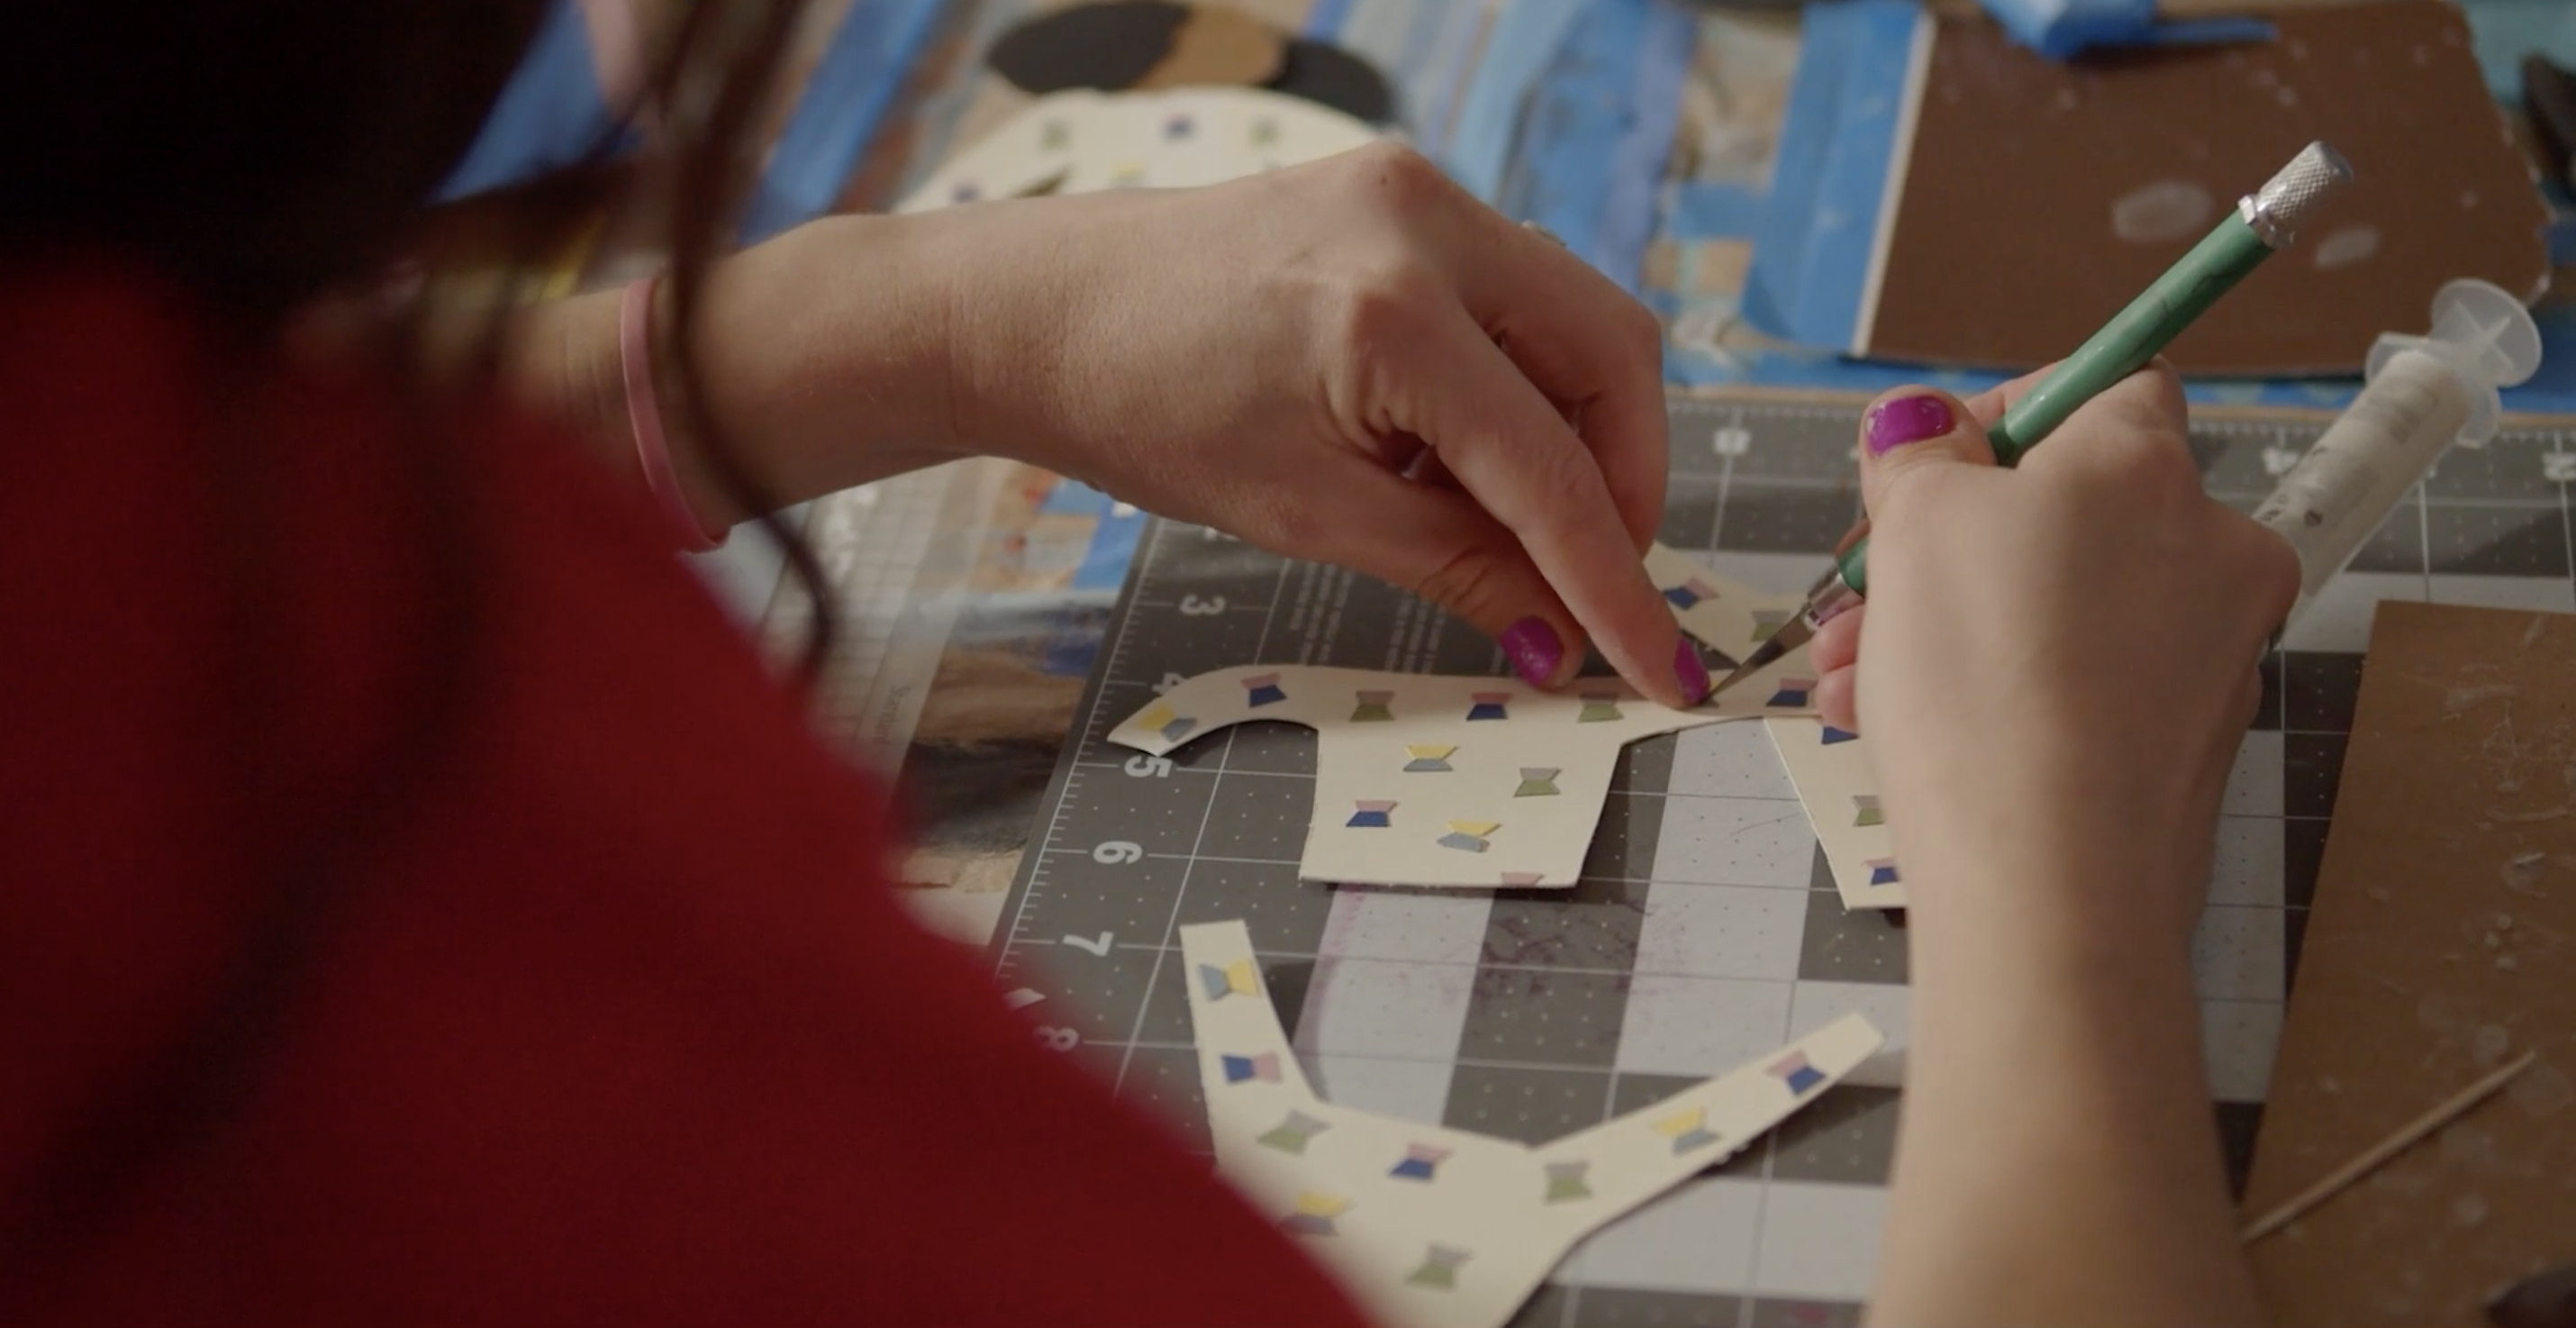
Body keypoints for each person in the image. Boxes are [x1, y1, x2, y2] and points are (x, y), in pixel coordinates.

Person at [0, 4, 2294, 1325]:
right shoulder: (352, 835)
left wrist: (937, 320)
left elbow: (200, 450)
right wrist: (2059, 870)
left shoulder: (178, 499)